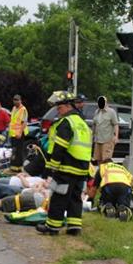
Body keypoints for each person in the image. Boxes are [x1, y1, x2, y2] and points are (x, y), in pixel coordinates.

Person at [36, 90, 92, 236]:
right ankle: (74, 227)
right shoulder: (82, 123)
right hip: (81, 168)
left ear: (68, 106)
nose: (57, 111)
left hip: (66, 167)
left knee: (59, 197)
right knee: (75, 197)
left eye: (59, 107)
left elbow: (59, 148)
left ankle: (52, 227)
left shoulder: (66, 123)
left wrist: (51, 168)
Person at [92, 96, 119, 164]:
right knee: (98, 159)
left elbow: (116, 124)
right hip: (98, 139)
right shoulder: (97, 112)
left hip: (107, 139)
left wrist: (116, 136)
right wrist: (92, 136)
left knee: (106, 159)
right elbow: (95, 125)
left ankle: (105, 174)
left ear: (106, 103)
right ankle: (100, 173)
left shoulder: (111, 112)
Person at [8, 94, 29, 170]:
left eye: (17, 100)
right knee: (14, 150)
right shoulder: (14, 108)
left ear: (20, 100)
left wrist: (20, 133)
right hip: (14, 133)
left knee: (19, 150)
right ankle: (13, 166)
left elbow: (24, 122)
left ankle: (19, 167)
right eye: (14, 100)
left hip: (20, 133)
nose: (15, 101)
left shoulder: (23, 109)